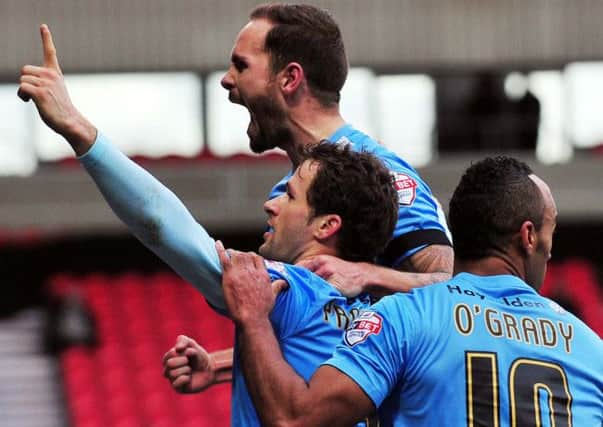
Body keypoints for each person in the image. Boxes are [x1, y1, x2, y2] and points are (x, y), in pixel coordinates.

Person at [20, 1, 452, 391]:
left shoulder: (385, 175)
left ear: (289, 78)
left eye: (241, 66)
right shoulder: (290, 193)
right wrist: (227, 364)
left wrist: (369, 274)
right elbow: (316, 327)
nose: (227, 81)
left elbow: (456, 295)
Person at [220, 156, 603, 426]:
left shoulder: (403, 317)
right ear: (529, 236)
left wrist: (254, 319)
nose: (551, 248)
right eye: (551, 232)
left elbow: (296, 418)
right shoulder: (591, 349)